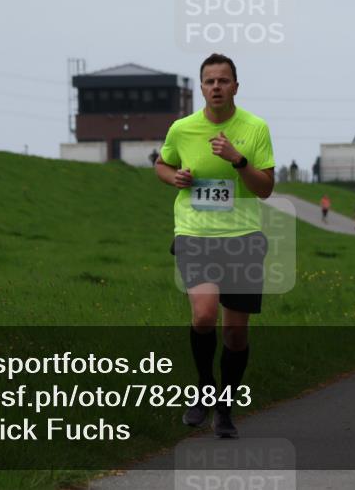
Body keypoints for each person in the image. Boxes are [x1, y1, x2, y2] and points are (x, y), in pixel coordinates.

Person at [155, 53, 275, 438]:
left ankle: (225, 406)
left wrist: (238, 161)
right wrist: (175, 177)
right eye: (209, 81)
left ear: (235, 87)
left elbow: (266, 189)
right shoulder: (182, 129)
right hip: (195, 234)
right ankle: (205, 388)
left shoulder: (255, 128)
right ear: (201, 87)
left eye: (224, 81)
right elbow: (162, 163)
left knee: (235, 334)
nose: (216, 87)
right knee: (204, 316)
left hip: (241, 239)